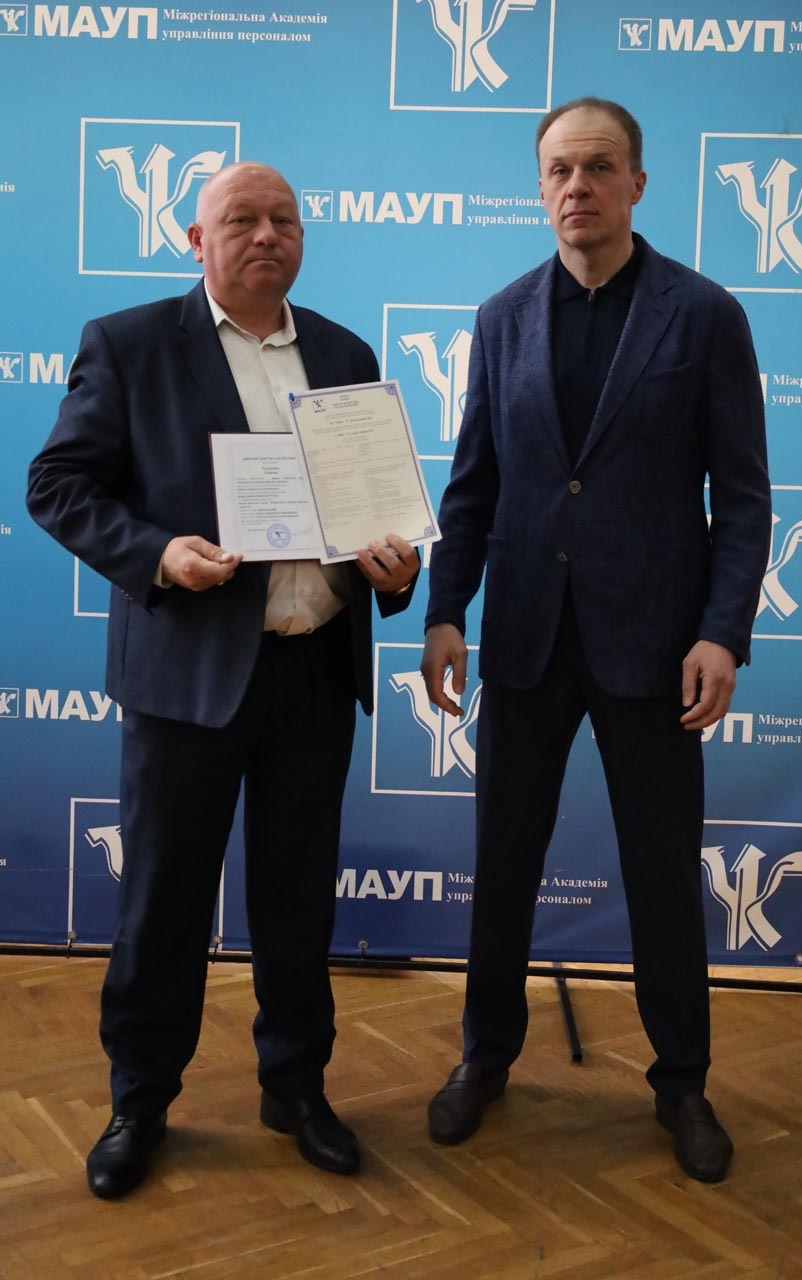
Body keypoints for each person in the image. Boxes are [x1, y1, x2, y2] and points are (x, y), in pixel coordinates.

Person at [27, 162, 419, 1199]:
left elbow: (373, 510)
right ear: (194, 241)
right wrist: (159, 554)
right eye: (239, 219)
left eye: (284, 219)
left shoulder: (344, 353)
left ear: (303, 240)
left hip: (314, 669)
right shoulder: (129, 343)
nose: (265, 234)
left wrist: (396, 568)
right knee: (163, 900)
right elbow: (56, 484)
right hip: (186, 677)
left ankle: (295, 1087)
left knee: (298, 898)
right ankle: (140, 1099)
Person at [420, 99, 770, 1183]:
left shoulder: (703, 314)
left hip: (655, 647)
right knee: (502, 865)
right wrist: (445, 610)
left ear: (636, 184)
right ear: (540, 189)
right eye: (559, 170)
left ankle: (682, 1083)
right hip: (527, 635)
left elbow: (743, 496)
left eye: (599, 166)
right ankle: (485, 1056)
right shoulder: (500, 318)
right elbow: (472, 486)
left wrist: (721, 632)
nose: (577, 186)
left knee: (662, 870)